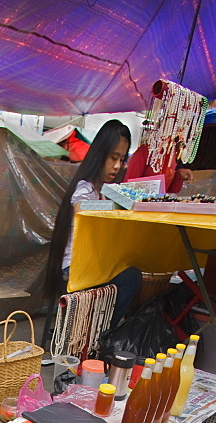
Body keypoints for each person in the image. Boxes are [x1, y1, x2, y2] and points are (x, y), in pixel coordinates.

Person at [44, 120, 142, 338]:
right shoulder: (85, 188)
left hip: (94, 266)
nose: (117, 166)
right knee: (130, 279)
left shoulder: (104, 190)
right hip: (74, 268)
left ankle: (98, 333)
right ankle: (97, 335)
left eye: (122, 159)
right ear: (100, 155)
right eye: (113, 158)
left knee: (132, 275)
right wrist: (120, 204)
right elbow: (82, 210)